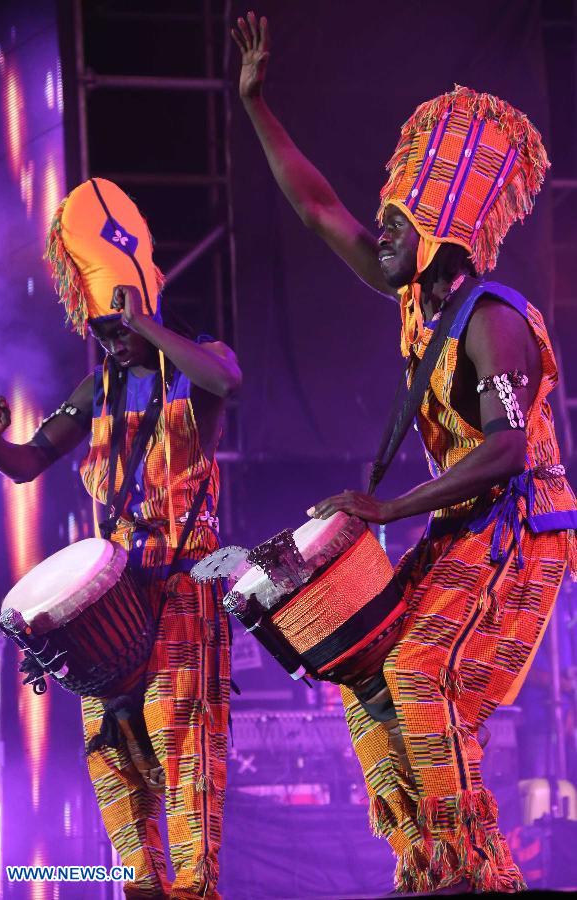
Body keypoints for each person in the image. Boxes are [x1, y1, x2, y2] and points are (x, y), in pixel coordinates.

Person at [232, 12, 577, 894]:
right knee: (368, 669)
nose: (376, 233)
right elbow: (317, 210)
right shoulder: (416, 305)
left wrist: (382, 509)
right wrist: (257, 105)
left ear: (442, 231)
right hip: (468, 525)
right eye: (383, 221)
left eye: (395, 222)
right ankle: (422, 865)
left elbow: (505, 453)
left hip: (523, 535)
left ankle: (476, 875)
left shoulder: (494, 320)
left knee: (423, 671)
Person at [0, 177, 242, 900]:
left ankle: (194, 886)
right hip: (115, 589)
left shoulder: (196, 361)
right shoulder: (96, 392)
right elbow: (30, 462)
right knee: (113, 752)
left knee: (185, 742)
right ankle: (139, 885)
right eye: (101, 327)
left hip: (184, 581)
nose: (109, 337)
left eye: (116, 323)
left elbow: (225, 378)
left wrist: (148, 326)